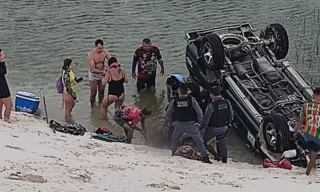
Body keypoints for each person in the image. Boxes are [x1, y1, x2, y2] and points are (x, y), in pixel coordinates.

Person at [166, 83, 212, 164]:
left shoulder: (174, 101)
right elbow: (200, 113)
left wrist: (172, 123)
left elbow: (168, 114)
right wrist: (199, 122)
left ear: (178, 91)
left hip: (179, 124)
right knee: (199, 141)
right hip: (191, 125)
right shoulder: (192, 100)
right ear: (187, 91)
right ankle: (205, 157)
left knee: (174, 139)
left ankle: (173, 153)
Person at [202, 87, 233, 163]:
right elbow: (231, 115)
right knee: (223, 143)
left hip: (213, 128)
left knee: (203, 141)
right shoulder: (227, 102)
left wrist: (202, 128)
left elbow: (206, 119)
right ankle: (224, 160)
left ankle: (216, 156)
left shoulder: (211, 105)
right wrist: (228, 125)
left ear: (211, 95)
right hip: (224, 127)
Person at [294, 87, 320, 175]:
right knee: (314, 156)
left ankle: (314, 168)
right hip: (318, 135)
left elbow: (301, 120)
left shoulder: (306, 106)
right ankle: (307, 174)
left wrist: (295, 130)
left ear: (313, 95)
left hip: (307, 134)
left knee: (311, 153)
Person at [87, 39, 112, 107]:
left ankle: (101, 106)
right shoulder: (91, 54)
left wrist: (114, 66)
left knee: (101, 92)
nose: (100, 50)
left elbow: (111, 60)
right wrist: (102, 71)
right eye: (98, 48)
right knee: (93, 92)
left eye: (101, 48)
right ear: (95, 47)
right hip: (93, 75)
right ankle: (92, 106)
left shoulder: (105, 52)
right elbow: (92, 69)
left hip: (102, 74)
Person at [61, 58, 79, 123]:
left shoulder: (70, 71)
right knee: (68, 108)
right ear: (67, 66)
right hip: (68, 93)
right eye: (71, 65)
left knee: (71, 106)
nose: (73, 65)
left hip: (71, 91)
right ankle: (69, 122)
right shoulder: (66, 74)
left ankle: (68, 118)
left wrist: (77, 79)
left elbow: (73, 78)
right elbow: (68, 87)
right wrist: (74, 97)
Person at [0, 49, 13, 122]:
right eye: (2, 55)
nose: (4, 56)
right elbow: (4, 72)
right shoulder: (1, 64)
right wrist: (2, 62)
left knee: (0, 103)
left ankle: (1, 119)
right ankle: (6, 119)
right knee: (9, 105)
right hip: (2, 88)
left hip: (2, 86)